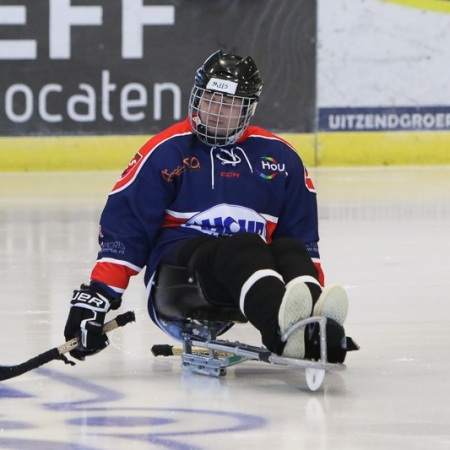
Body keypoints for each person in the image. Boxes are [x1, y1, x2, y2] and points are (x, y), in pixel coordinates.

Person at [64, 50, 352, 364]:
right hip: (177, 283)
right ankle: (281, 332)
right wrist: (98, 297)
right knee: (243, 245)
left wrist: (311, 285)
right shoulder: (167, 151)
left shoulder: (280, 158)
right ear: (196, 97)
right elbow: (127, 230)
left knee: (289, 250)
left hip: (242, 278)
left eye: (229, 104)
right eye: (210, 99)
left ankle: (312, 327)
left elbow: (304, 242)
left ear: (248, 108)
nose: (215, 111)